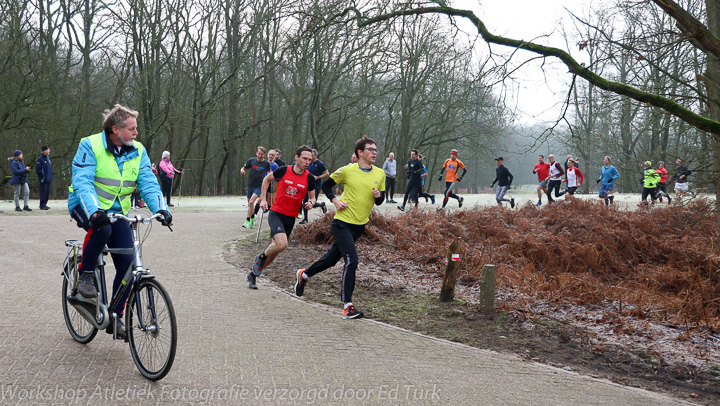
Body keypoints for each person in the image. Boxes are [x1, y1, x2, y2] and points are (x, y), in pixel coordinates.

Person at [68, 104, 171, 339]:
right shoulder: (90, 145)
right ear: (115, 129)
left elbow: (148, 182)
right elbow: (82, 182)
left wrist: (161, 209)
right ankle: (85, 276)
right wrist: (94, 211)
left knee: (127, 262)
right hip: (84, 205)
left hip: (117, 211)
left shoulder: (138, 150)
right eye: (132, 129)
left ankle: (115, 315)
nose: (136, 133)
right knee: (101, 230)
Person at [294, 135, 385, 319]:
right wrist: (335, 201)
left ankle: (304, 275)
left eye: (376, 150)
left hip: (359, 226)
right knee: (352, 260)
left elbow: (381, 200)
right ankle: (347, 306)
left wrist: (378, 196)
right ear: (360, 152)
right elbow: (327, 185)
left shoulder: (380, 174)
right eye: (370, 149)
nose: (374, 152)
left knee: (330, 260)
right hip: (342, 223)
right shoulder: (347, 171)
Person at [247, 146, 316, 289]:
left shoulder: (309, 177)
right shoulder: (284, 170)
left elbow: (313, 197)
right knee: (282, 244)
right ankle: (260, 258)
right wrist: (263, 198)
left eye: (309, 159)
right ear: (296, 157)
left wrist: (310, 203)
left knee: (276, 250)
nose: (307, 162)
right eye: (304, 158)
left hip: (291, 218)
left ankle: (253, 275)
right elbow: (266, 179)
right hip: (277, 213)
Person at [241, 147, 271, 228]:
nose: (260, 156)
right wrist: (242, 170)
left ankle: (247, 220)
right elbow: (243, 167)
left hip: (259, 186)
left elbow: (269, 172)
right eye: (259, 154)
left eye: (262, 154)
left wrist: (268, 177)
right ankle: (253, 216)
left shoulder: (266, 163)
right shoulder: (251, 160)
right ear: (256, 153)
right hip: (250, 185)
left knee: (251, 202)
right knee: (250, 205)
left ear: (264, 155)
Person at [299, 149, 328, 224]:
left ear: (316, 155)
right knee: (305, 202)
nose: (311, 157)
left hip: (316, 185)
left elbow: (326, 173)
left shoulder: (320, 164)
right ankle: (305, 219)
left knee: (313, 203)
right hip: (307, 185)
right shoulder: (308, 163)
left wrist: (317, 177)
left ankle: (321, 204)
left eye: (312, 155)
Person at [36, 145, 53, 210]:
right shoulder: (40, 159)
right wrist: (42, 176)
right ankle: (42, 205)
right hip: (43, 179)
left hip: (49, 179)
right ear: (43, 151)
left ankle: (45, 204)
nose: (49, 151)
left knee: (47, 192)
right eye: (47, 150)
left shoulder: (48, 158)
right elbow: (38, 169)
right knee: (43, 192)